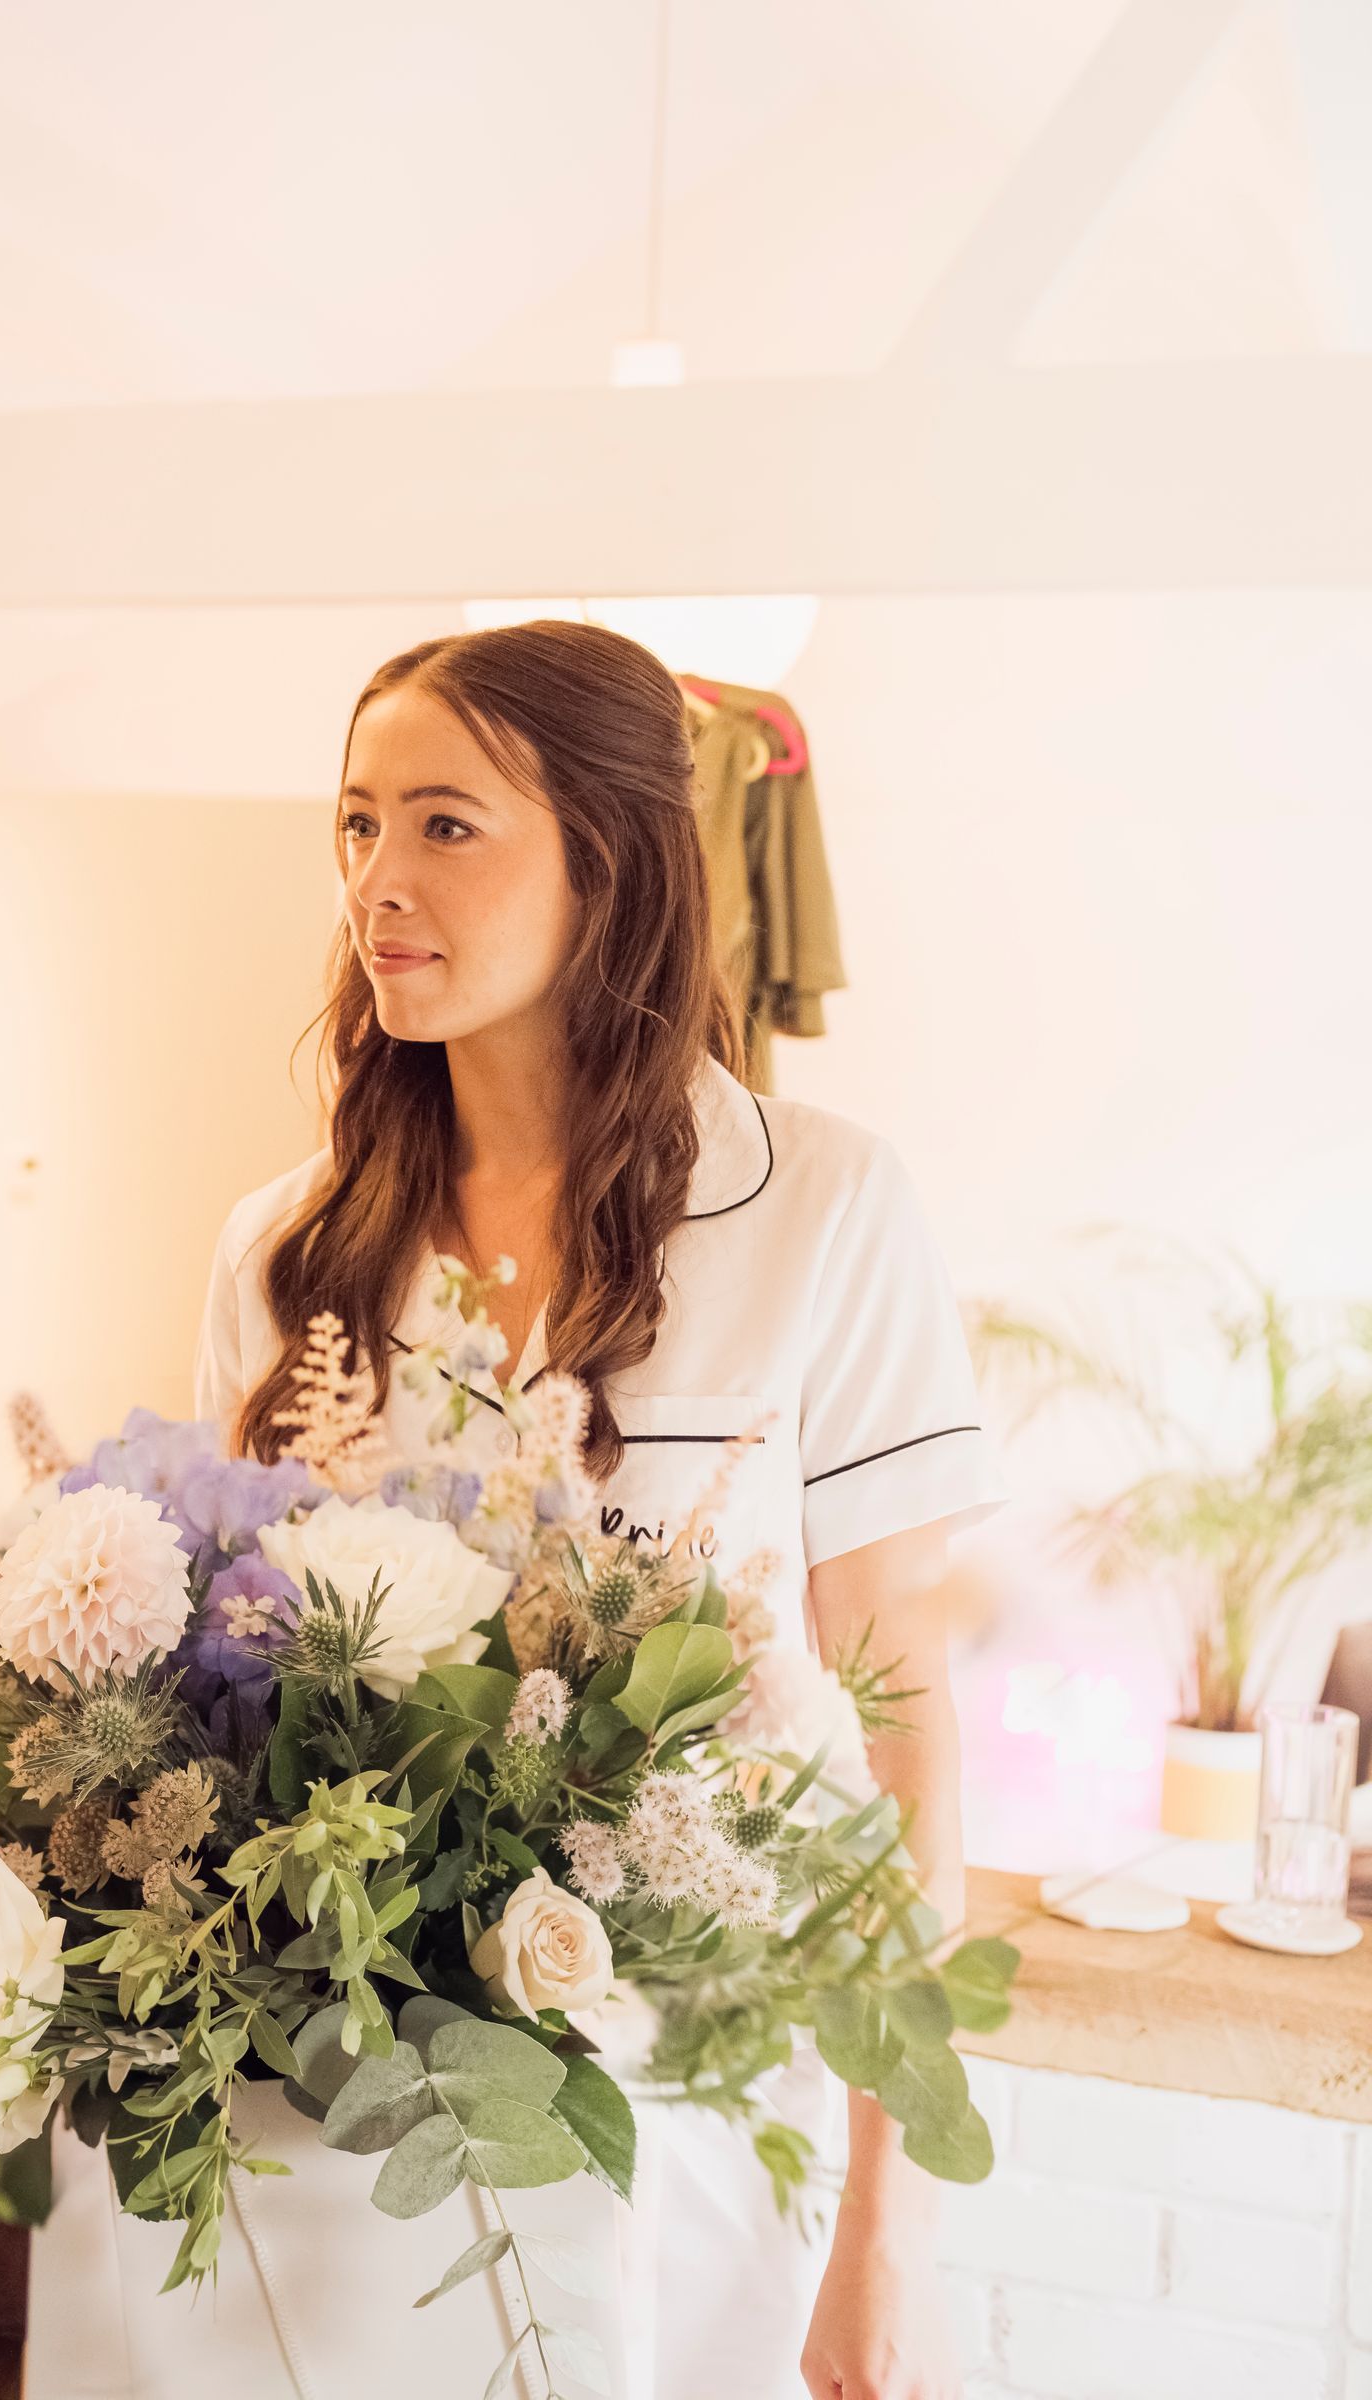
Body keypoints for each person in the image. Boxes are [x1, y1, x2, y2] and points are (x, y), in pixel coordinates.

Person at [169, 622, 1002, 2400]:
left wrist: (893, 2227)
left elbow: (904, 1742)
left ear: (608, 861)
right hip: (354, 2137)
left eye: (447, 827)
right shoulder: (281, 1249)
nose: (378, 885)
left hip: (706, 2132)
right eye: (356, 824)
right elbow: (229, 1702)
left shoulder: (826, 1209)